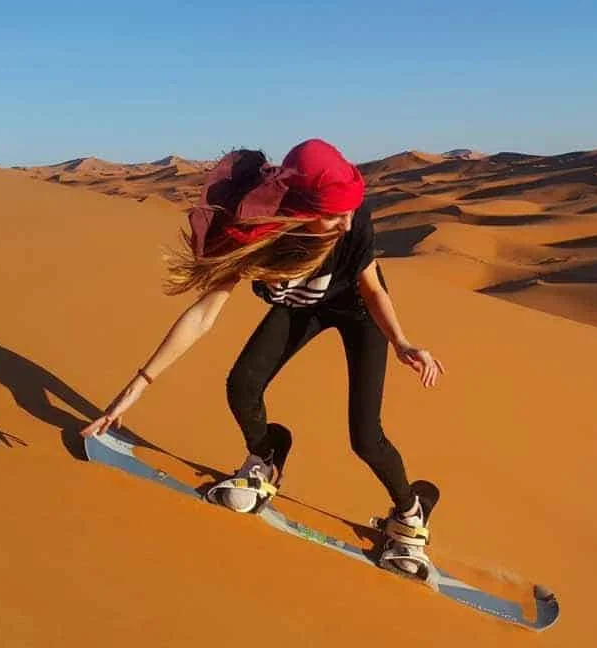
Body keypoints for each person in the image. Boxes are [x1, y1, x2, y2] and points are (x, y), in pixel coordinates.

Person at [80, 138, 445, 574]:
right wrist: (137, 387)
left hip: (361, 312)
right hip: (302, 307)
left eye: (350, 211)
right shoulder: (258, 234)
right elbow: (203, 314)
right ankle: (265, 459)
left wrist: (402, 342)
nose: (347, 224)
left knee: (365, 437)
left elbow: (372, 288)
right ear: (302, 210)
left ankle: (409, 512)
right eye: (334, 215)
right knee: (243, 385)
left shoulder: (353, 219)